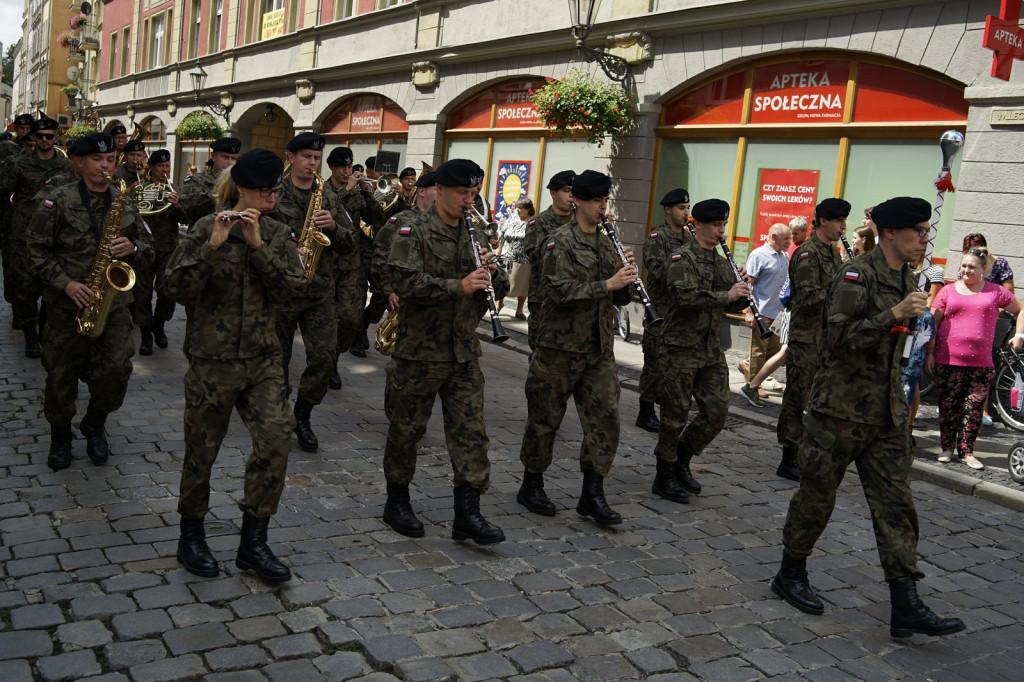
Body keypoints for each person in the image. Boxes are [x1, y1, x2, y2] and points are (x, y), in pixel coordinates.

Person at [771, 196, 965, 640]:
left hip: (886, 413)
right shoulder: (855, 273)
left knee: (897, 506)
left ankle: (905, 602)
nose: (924, 238)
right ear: (891, 233)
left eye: (925, 230)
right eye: (917, 231)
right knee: (817, 497)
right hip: (839, 409)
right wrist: (892, 316)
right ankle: (790, 573)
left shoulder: (908, 275)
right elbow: (835, 340)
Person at [165, 149, 306, 583]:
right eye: (266, 190)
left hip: (264, 361)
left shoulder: (278, 234)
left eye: (276, 189)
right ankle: (191, 535)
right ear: (241, 188)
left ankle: (254, 542)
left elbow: (296, 293)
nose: (272, 196)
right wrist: (212, 248)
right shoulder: (208, 227)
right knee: (202, 451)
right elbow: (174, 288)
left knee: (276, 441)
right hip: (213, 361)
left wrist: (259, 246)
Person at [383, 158, 509, 544]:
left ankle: (467, 514)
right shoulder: (413, 229)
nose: (468, 201)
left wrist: (494, 272)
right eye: (461, 193)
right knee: (407, 430)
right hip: (420, 352)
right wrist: (459, 286)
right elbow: (404, 280)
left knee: (471, 433)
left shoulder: (477, 231)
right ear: (439, 190)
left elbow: (496, 287)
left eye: (473, 193)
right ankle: (397, 502)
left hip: (462, 352)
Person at [25, 133, 153, 471]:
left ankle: (95, 423)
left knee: (117, 369)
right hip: (68, 304)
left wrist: (134, 248)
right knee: (61, 375)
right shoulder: (59, 199)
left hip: (112, 305)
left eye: (111, 159)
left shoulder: (123, 199)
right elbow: (34, 249)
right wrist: (65, 283)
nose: (106, 165)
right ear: (79, 163)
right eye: (98, 160)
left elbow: (148, 246)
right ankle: (61, 435)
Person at [516, 171, 636, 524]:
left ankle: (592, 493)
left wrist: (625, 276)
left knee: (605, 418)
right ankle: (532, 484)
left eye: (605, 201)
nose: (603, 207)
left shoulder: (606, 242)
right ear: (578, 201)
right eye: (597, 200)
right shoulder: (559, 241)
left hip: (598, 348)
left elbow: (621, 294)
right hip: (559, 347)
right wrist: (606, 284)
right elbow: (557, 292)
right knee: (544, 418)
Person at [652, 199, 750, 503]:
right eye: (716, 225)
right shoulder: (682, 257)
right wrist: (726, 293)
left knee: (717, 411)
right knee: (674, 415)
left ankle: (682, 457)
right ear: (698, 226)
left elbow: (729, 302)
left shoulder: (721, 262)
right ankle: (664, 475)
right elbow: (684, 297)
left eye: (723, 225)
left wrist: (743, 291)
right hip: (680, 347)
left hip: (710, 348)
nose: (720, 231)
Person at [273, 133, 356, 451]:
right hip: (283, 289)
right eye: (306, 156)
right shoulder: (275, 192)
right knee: (276, 360)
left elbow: (350, 243)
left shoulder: (329, 196)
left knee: (323, 358)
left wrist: (334, 227)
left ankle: (303, 414)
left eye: (316, 158)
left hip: (320, 291)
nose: (312, 163)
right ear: (291, 157)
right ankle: (279, 414)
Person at [928, 247, 1024, 470]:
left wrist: (1019, 335)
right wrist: (930, 352)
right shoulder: (948, 291)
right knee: (948, 407)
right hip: (948, 360)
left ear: (983, 270)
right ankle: (946, 448)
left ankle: (967, 452)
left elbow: (1021, 309)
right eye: (963, 266)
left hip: (981, 364)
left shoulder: (994, 291)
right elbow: (933, 322)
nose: (966, 270)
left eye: (972, 267)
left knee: (973, 409)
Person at [776, 198, 850, 481]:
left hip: (828, 339)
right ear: (822, 221)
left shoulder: (832, 254)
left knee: (820, 399)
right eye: (838, 221)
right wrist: (842, 295)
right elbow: (806, 298)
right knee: (798, 396)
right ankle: (789, 456)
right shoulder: (808, 254)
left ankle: (810, 449)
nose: (843, 226)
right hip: (806, 339)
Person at [0, 116, 72, 357]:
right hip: (23, 234)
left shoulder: (66, 166)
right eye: (39, 136)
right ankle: (30, 337)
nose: (44, 140)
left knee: (52, 285)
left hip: (56, 235)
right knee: (24, 288)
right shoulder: (17, 163)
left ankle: (43, 329)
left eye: (49, 136)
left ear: (56, 138)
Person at [637, 188, 691, 432]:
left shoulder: (690, 238)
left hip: (682, 315)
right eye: (681, 208)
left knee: (675, 367)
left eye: (688, 208)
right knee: (654, 366)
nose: (685, 213)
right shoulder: (657, 238)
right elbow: (656, 274)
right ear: (668, 209)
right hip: (661, 312)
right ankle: (645, 411)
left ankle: (667, 408)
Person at [369, 170, 439, 356]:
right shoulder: (400, 220)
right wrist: (388, 290)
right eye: (437, 188)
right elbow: (380, 255)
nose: (441, 192)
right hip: (402, 295)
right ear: (422, 192)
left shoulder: (443, 224)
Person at [133, 149, 186, 355]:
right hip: (144, 248)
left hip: (168, 249)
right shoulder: (141, 189)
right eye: (161, 166)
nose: (165, 170)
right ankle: (146, 334)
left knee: (167, 291)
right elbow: (130, 215)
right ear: (152, 168)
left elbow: (186, 220)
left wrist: (178, 205)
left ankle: (159, 324)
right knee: (142, 293)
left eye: (168, 166)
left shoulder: (175, 191)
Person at [524, 170, 575, 350]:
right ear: (553, 193)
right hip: (545, 299)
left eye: (574, 191)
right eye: (567, 190)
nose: (571, 195)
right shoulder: (538, 223)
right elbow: (537, 258)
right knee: (541, 354)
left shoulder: (581, 221)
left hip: (575, 298)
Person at [742, 222, 791, 392]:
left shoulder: (784, 256)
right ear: (774, 237)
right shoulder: (758, 255)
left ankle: (747, 366)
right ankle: (753, 387)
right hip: (761, 311)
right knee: (758, 351)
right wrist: (749, 312)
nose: (789, 242)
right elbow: (749, 285)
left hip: (779, 313)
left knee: (777, 350)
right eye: (786, 238)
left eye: (790, 238)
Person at [178, 137, 242, 225]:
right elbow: (186, 208)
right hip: (201, 235)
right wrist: (220, 193)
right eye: (225, 157)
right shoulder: (196, 180)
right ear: (213, 156)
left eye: (234, 158)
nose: (229, 162)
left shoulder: (239, 182)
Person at [496, 197, 534, 320]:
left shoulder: (533, 223)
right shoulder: (512, 218)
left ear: (528, 209)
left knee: (522, 286)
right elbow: (502, 233)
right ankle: (499, 304)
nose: (517, 210)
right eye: (517, 207)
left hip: (524, 260)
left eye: (520, 208)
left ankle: (519, 311)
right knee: (503, 282)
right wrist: (499, 251)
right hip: (507, 256)